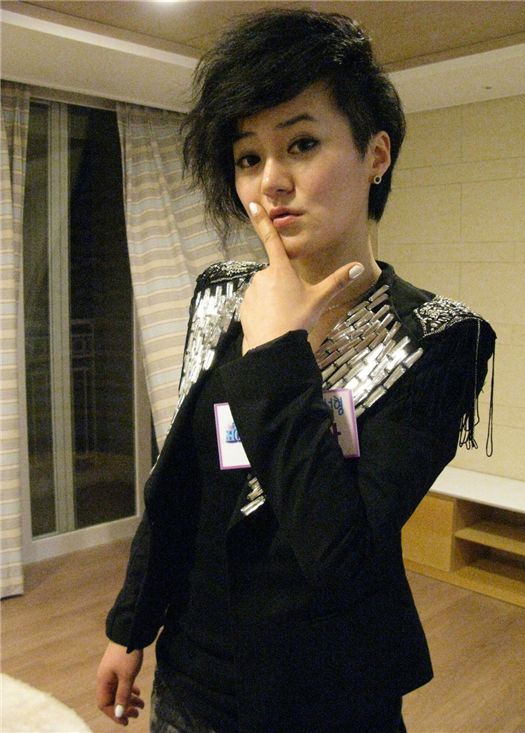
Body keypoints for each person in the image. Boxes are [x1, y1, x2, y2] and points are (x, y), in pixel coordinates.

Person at [96, 9, 496, 733]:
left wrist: (279, 351)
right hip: (193, 676)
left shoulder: (440, 337)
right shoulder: (222, 294)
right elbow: (181, 480)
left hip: (328, 691)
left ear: (376, 155)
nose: (269, 182)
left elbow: (343, 557)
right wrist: (131, 625)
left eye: (302, 144)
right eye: (249, 158)